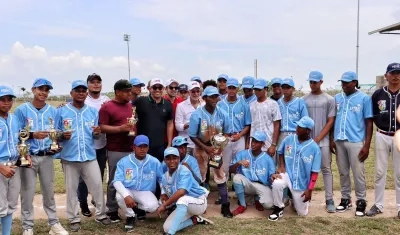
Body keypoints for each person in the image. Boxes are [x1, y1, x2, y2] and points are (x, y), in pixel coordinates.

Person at [14, 78, 68, 235]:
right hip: (28, 157)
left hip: (46, 156)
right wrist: (33, 134)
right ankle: (27, 226)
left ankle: (54, 224)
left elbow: (56, 132)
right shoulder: (22, 110)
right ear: (33, 90)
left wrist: (58, 139)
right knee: (27, 192)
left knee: (49, 191)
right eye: (40, 89)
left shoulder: (53, 111)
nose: (43, 92)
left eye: (46, 90)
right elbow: (17, 133)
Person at [56, 80, 111, 232]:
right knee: (71, 190)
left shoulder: (92, 112)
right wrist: (61, 135)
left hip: (89, 155)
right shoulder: (61, 111)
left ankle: (101, 215)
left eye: (83, 90)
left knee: (98, 187)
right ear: (71, 93)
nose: (80, 93)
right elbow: (54, 134)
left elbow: (95, 134)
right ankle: (74, 218)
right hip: (69, 157)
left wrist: (97, 133)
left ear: (86, 93)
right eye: (77, 90)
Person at [330, 71, 373, 217]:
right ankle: (345, 199)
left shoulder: (364, 98)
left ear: (354, 82)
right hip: (339, 140)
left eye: (347, 82)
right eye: (342, 82)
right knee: (343, 172)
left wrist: (367, 145)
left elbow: (369, 122)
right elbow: (333, 120)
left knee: (358, 173)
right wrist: (331, 139)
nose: (344, 85)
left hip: (356, 141)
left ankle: (361, 201)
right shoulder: (337, 97)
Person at [189, 86, 233, 218]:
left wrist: (219, 147)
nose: (214, 99)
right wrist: (205, 148)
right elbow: (192, 135)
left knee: (220, 175)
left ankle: (225, 205)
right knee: (200, 176)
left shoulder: (222, 113)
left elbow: (227, 132)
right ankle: (199, 205)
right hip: (201, 148)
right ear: (204, 98)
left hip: (216, 150)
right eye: (211, 96)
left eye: (216, 96)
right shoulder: (197, 114)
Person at [269, 116, 321, 221]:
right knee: (277, 183)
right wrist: (282, 166)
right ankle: (278, 208)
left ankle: (293, 199)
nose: (297, 128)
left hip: (301, 183)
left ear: (307, 130)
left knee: (302, 213)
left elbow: (315, 172)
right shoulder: (289, 139)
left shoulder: (314, 148)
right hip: (288, 175)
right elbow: (280, 151)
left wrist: (309, 190)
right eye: (297, 125)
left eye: (300, 127)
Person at [99, 79, 135, 223]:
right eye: (126, 91)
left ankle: (130, 206)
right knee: (114, 180)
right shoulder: (107, 107)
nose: (129, 94)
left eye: (130, 91)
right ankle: (112, 209)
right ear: (118, 92)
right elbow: (102, 127)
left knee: (130, 178)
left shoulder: (130, 106)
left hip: (131, 148)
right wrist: (120, 129)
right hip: (115, 149)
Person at [367, 63, 400, 217]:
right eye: (393, 73)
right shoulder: (378, 95)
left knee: (399, 173)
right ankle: (379, 205)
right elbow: (373, 115)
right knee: (380, 172)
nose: (396, 76)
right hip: (382, 134)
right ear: (386, 75)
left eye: (398, 73)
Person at [302, 71, 336, 213]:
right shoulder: (304, 99)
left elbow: (330, 121)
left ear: (321, 82)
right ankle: (303, 198)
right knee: (306, 171)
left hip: (324, 141)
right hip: (307, 142)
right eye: (310, 82)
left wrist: (318, 138)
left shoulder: (329, 99)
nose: (312, 84)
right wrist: (309, 140)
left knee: (326, 170)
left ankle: (329, 199)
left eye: (315, 82)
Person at [77, 73, 110, 217]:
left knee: (99, 175)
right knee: (83, 178)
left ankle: (96, 200)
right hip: (86, 145)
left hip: (101, 144)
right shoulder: (84, 99)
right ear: (88, 84)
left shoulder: (106, 100)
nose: (96, 84)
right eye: (92, 82)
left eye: (98, 82)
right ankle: (83, 202)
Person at [113, 135, 161, 232]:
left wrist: (163, 192)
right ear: (134, 147)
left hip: (145, 191)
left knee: (153, 206)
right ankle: (130, 216)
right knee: (120, 196)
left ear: (148, 147)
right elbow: (117, 181)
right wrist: (126, 196)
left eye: (145, 146)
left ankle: (137, 209)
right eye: (140, 146)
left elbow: (161, 179)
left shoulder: (154, 161)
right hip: (128, 189)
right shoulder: (124, 161)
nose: (142, 149)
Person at [159, 147, 213, 235]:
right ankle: (195, 220)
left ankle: (171, 234)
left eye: (174, 158)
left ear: (179, 159)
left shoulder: (184, 170)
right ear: (164, 160)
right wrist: (164, 198)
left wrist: (165, 205)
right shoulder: (165, 177)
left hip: (198, 202)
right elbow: (168, 193)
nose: (172, 161)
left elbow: (181, 192)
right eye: (168, 158)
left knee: (182, 199)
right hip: (183, 206)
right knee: (167, 228)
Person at [0, 86, 29, 235]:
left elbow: (19, 140)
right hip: (1, 167)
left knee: (11, 204)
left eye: (9, 99)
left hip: (14, 166)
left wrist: (25, 155)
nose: (6, 103)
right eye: (2, 100)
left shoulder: (14, 119)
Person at [217, 77, 251, 194]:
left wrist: (240, 134)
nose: (231, 90)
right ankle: (223, 194)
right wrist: (222, 135)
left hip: (239, 138)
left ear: (238, 89)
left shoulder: (244, 104)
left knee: (239, 165)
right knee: (225, 166)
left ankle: (239, 191)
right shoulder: (220, 104)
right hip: (225, 138)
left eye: (234, 88)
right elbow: (216, 123)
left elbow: (248, 125)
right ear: (226, 88)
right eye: (229, 87)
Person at [229, 131, 275, 215]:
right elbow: (230, 170)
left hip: (261, 185)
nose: (253, 144)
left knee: (269, 205)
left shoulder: (268, 159)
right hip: (248, 185)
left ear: (262, 144)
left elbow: (271, 177)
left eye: (256, 142)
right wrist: (238, 163)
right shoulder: (242, 154)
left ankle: (257, 199)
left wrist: (274, 176)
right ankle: (243, 205)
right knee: (237, 177)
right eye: (252, 141)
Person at [133, 78, 174, 161]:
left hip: (160, 145)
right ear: (149, 88)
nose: (157, 90)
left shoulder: (168, 104)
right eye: (155, 87)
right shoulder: (140, 101)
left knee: (158, 170)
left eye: (160, 88)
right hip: (142, 146)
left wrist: (169, 144)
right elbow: (128, 109)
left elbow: (170, 124)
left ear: (163, 89)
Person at [249, 79, 281, 158]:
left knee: (269, 167)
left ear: (265, 89)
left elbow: (277, 124)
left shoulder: (273, 104)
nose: (257, 92)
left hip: (268, 143)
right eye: (255, 89)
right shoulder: (251, 105)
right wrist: (248, 143)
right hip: (254, 144)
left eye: (259, 89)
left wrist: (273, 144)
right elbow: (249, 125)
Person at [277, 78, 309, 146]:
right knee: (281, 155)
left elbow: (305, 119)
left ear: (293, 89)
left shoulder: (299, 102)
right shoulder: (278, 103)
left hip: (295, 133)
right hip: (282, 134)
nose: (285, 90)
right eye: (283, 87)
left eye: (288, 87)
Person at [175, 81, 203, 156]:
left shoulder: (204, 105)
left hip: (201, 144)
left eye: (198, 91)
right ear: (189, 92)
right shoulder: (181, 106)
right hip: (186, 144)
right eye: (193, 91)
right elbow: (178, 126)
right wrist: (189, 124)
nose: (196, 94)